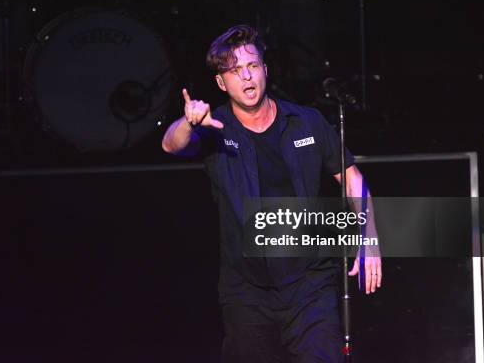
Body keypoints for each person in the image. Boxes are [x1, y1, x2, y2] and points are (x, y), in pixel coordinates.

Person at [161, 25, 382, 362]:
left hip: (310, 283)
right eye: (234, 71)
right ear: (222, 83)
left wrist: (369, 235)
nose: (246, 77)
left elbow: (351, 177)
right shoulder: (213, 128)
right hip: (247, 291)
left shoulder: (307, 122)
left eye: (252, 66)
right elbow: (171, 144)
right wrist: (188, 122)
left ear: (265, 69)